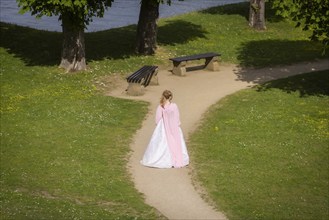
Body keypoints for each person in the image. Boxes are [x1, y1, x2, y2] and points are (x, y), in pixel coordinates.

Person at [141, 90, 189, 168]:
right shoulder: (174, 106)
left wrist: (159, 126)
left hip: (164, 127)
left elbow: (158, 118)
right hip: (173, 126)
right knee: (176, 142)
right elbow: (177, 116)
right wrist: (177, 125)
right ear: (170, 97)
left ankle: (165, 159)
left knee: (161, 142)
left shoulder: (161, 106)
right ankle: (177, 158)